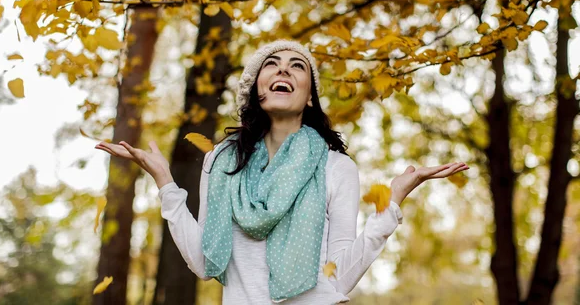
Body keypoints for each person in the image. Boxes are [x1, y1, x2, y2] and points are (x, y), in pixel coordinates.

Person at [95, 40, 469, 304]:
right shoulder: (222, 163)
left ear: (308, 96)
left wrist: (393, 203)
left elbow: (341, 275)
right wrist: (165, 183)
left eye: (297, 65)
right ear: (257, 88)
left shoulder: (336, 167)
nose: (283, 69)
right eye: (272, 64)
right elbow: (203, 261)